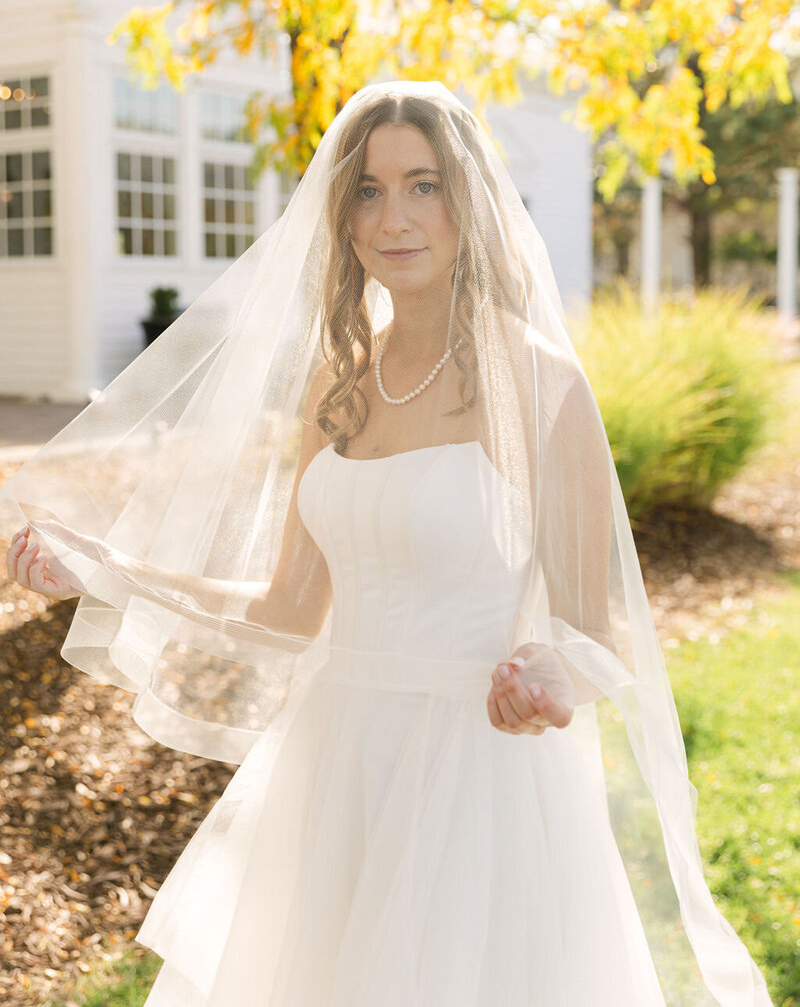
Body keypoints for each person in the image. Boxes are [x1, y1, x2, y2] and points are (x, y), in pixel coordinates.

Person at [3, 82, 772, 1005]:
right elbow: (288, 607)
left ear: (470, 204)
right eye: (367, 191)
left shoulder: (539, 382)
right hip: (333, 767)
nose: (393, 217)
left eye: (422, 185)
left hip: (477, 782)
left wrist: (550, 679)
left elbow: (591, 632)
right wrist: (111, 569)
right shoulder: (341, 381)